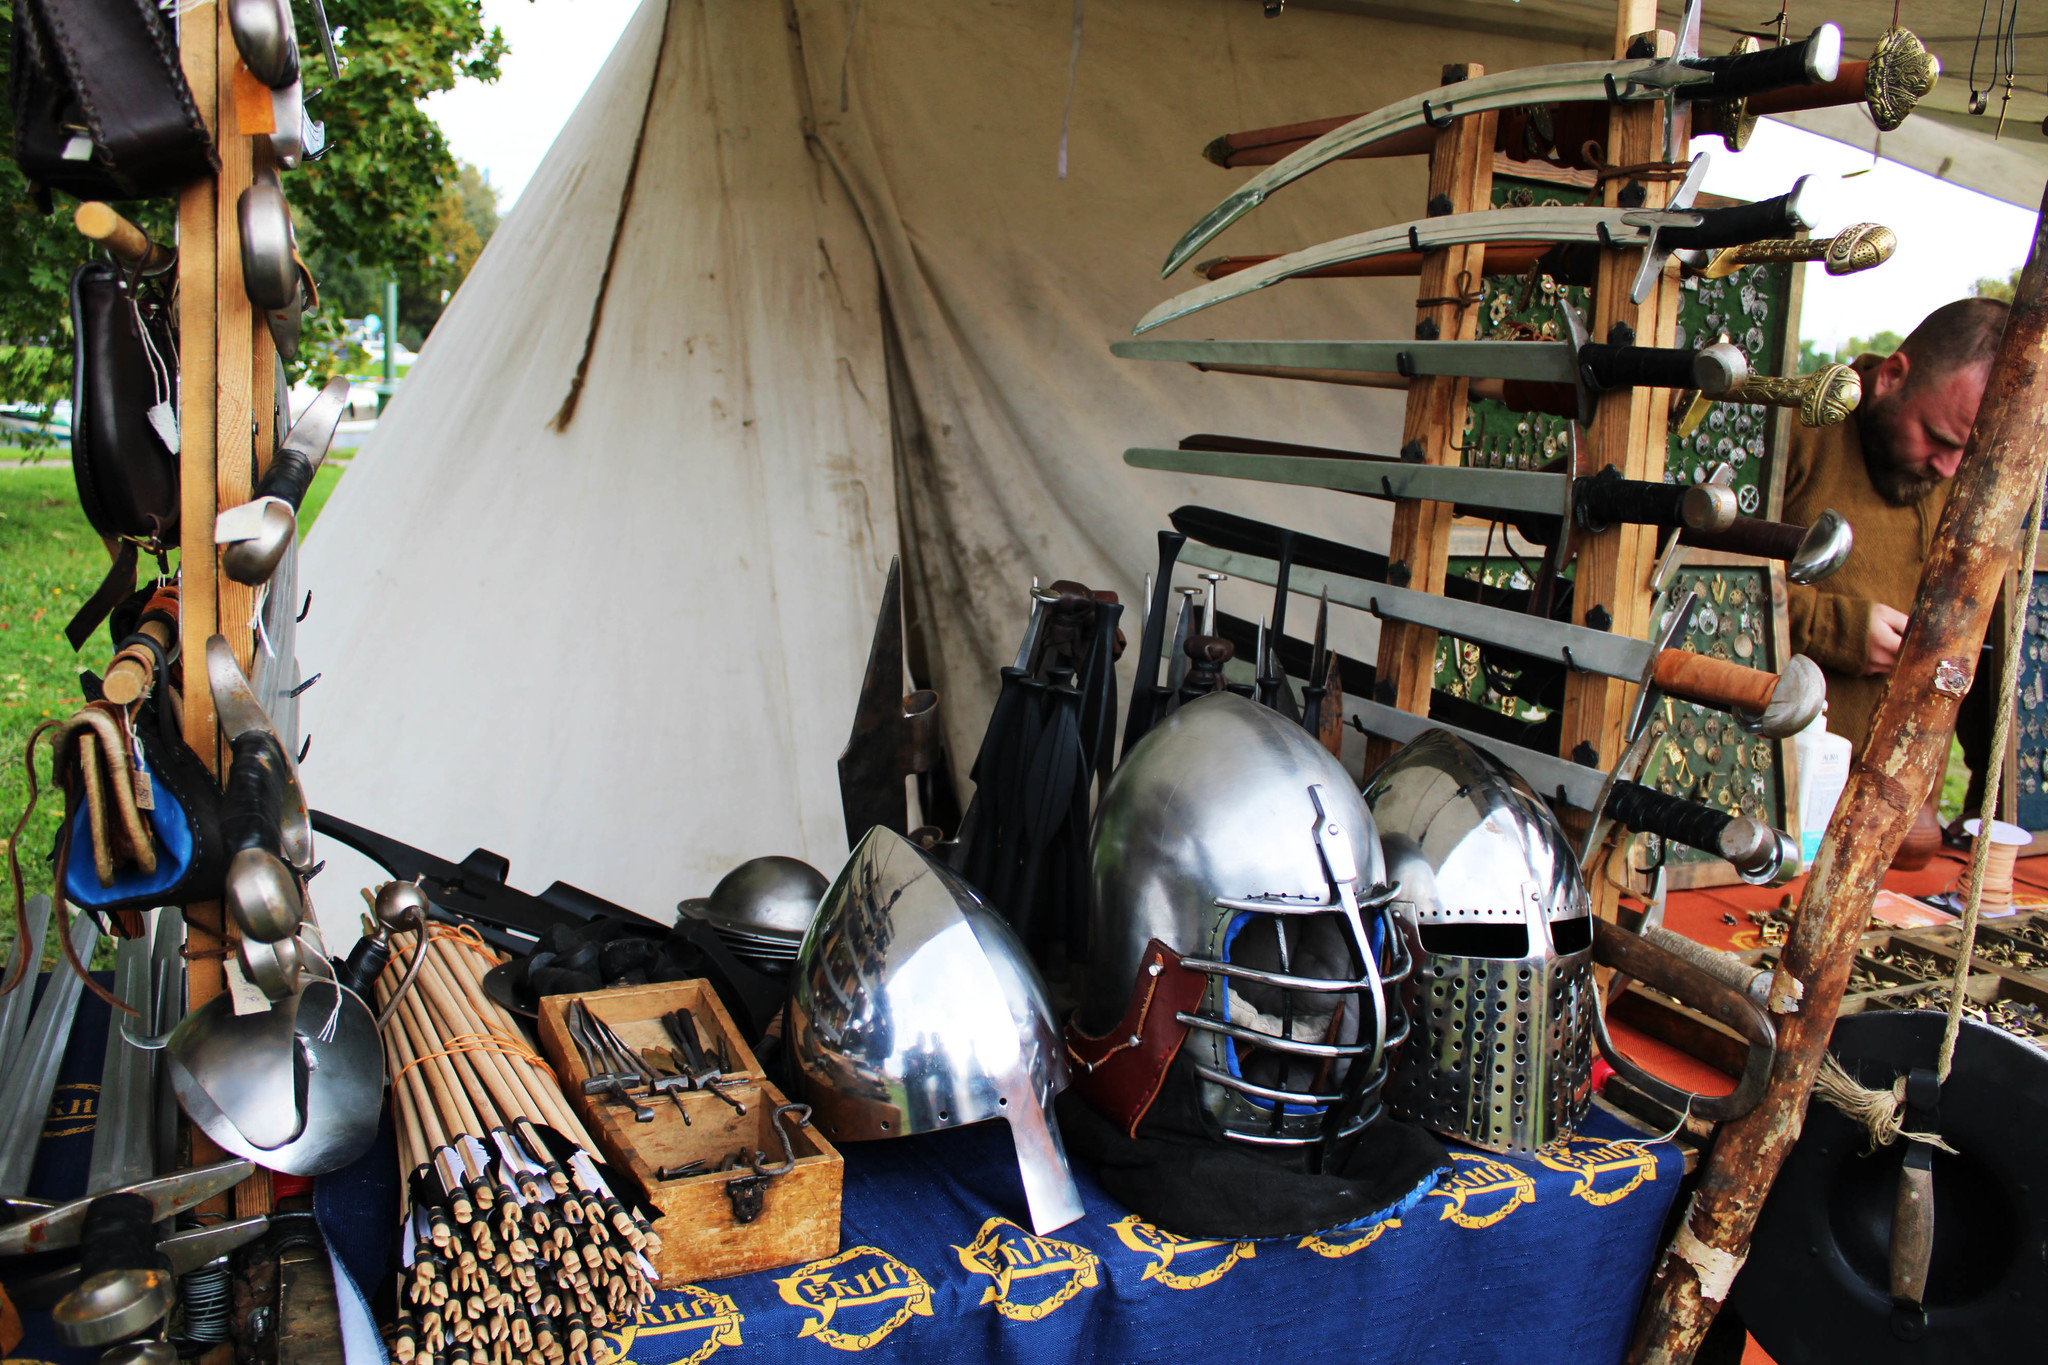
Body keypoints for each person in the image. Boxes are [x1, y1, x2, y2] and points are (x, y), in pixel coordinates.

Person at [1781, 297, 2008, 792]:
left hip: (1892, 814)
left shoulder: (1972, 483)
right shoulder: (1796, 431)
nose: (1947, 468)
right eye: (1937, 437)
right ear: (1892, 375)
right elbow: (1689, 581)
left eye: (1964, 452)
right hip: (1768, 796)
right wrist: (1838, 630)